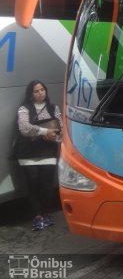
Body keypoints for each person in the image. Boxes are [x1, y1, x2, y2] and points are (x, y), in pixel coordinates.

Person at [14, 80, 61, 231]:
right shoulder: (24, 109)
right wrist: (45, 132)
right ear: (31, 94)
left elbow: (61, 129)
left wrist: (55, 137)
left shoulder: (54, 108)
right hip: (28, 152)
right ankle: (37, 216)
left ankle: (47, 214)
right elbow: (24, 128)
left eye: (42, 90)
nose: (40, 93)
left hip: (48, 151)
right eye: (36, 91)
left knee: (47, 186)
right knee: (33, 185)